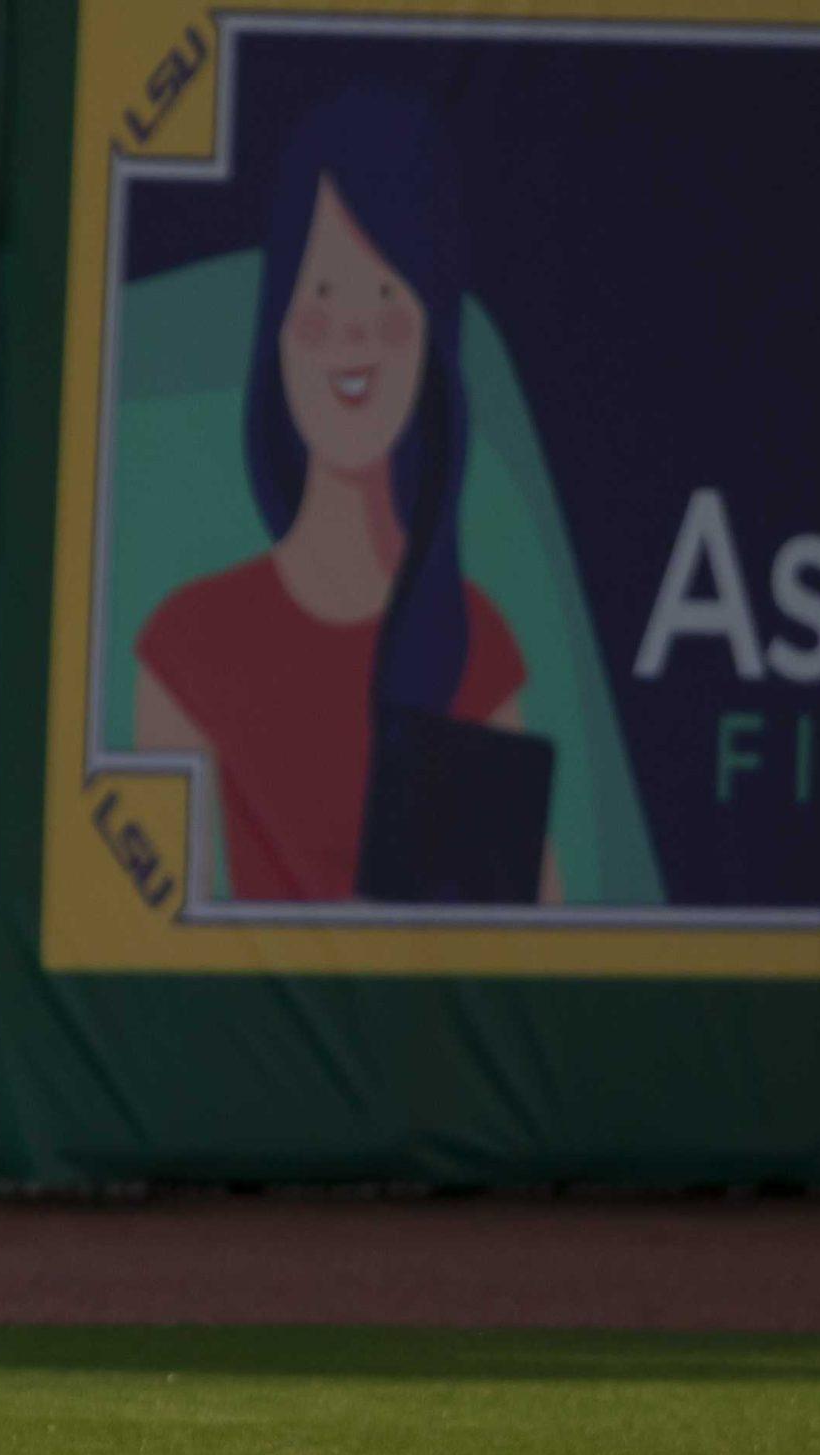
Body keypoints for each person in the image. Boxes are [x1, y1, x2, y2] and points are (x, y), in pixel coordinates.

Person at [134, 90, 538, 903]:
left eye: (388, 296)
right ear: (278, 329)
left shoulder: (472, 647)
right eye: (323, 293)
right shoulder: (188, 645)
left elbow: (514, 952)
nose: (353, 332)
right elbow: (161, 952)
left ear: (432, 340)